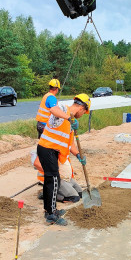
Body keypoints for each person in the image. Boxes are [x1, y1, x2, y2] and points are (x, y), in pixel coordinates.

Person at [36, 93, 91, 225]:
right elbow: (53, 109)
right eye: (84, 113)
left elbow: (70, 142)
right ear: (82, 108)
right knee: (53, 180)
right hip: (47, 149)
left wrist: (78, 155)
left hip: (53, 151)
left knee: (52, 180)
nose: (82, 115)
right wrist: (69, 118)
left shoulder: (69, 122)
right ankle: (51, 214)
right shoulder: (63, 109)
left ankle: (50, 209)